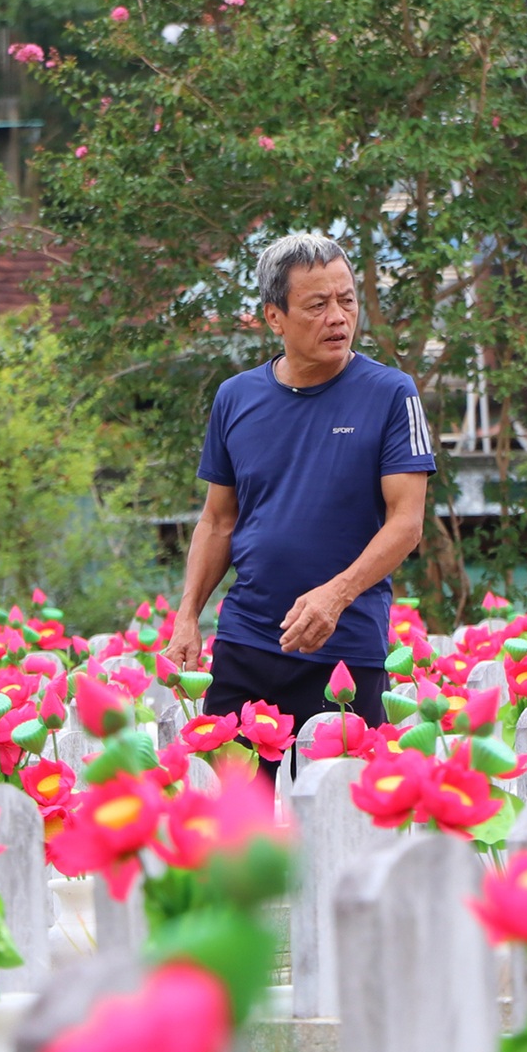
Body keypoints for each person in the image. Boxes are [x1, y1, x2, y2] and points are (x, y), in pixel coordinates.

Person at [163, 232, 436, 772]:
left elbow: (407, 525)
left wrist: (335, 597)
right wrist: (188, 615)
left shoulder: (392, 393)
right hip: (246, 644)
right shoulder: (235, 398)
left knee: (340, 822)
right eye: (317, 305)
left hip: (346, 651)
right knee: (237, 827)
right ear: (274, 318)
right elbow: (218, 522)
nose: (338, 317)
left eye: (347, 300)